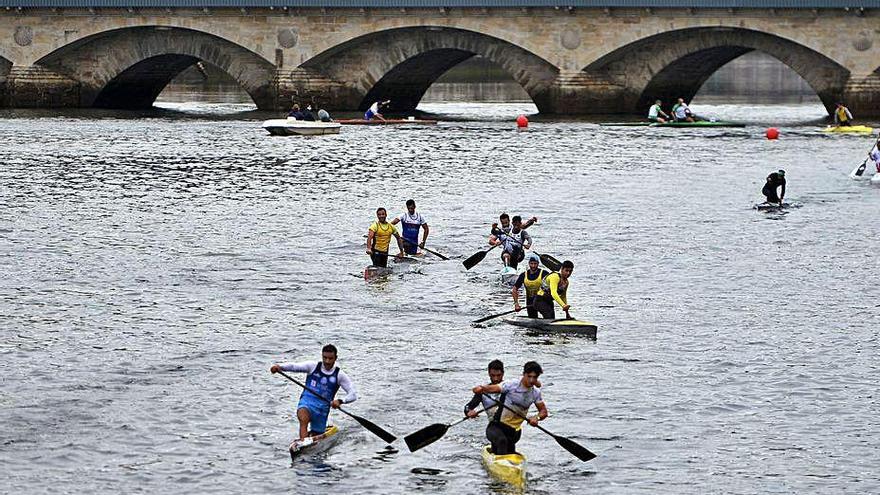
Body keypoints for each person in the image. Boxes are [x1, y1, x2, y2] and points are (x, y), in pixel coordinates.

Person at [270, 344, 357, 440]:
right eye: (325, 358)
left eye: (330, 358)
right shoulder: (312, 366)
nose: (327, 361)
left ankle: (312, 439)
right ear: (322, 356)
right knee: (303, 417)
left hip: (322, 410)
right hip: (307, 402)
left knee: (317, 432)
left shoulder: (339, 375)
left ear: (335, 358)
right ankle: (303, 443)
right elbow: (294, 366)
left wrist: (340, 401)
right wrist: (279, 367)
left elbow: (353, 394)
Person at [471, 361, 548, 456]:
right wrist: (481, 388)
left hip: (514, 432)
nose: (531, 380)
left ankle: (499, 457)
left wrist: (536, 418)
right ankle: (500, 464)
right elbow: (492, 388)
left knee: (506, 448)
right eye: (529, 376)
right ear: (524, 374)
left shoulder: (535, 393)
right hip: (496, 427)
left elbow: (544, 411)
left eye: (535, 377)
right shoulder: (511, 385)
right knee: (502, 441)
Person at [512, 253, 551, 318]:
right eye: (531, 263)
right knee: (532, 320)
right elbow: (514, 289)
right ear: (529, 264)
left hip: (544, 302)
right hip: (530, 303)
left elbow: (552, 286)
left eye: (535, 264)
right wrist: (516, 304)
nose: (533, 266)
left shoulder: (544, 273)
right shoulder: (523, 275)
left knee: (549, 318)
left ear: (538, 264)